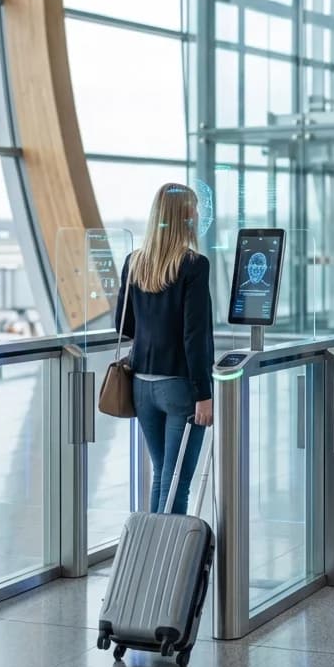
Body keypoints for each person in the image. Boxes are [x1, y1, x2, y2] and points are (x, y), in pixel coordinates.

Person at [115, 183, 214, 514]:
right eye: (194, 209)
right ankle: (171, 563)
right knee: (176, 483)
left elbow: (123, 325)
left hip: (142, 386)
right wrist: (204, 393)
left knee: (163, 477)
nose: (198, 215)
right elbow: (195, 336)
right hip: (179, 387)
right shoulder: (193, 265)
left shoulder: (135, 262)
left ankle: (156, 559)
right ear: (184, 217)